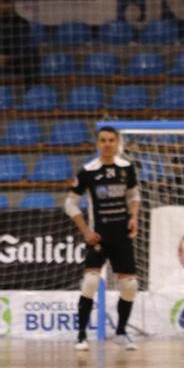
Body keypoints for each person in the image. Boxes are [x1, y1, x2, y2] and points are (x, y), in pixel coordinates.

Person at [65, 126, 140, 351]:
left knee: (130, 286)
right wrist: (86, 231)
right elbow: (70, 203)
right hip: (98, 237)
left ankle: (121, 332)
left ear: (118, 143)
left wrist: (134, 216)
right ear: (97, 144)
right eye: (103, 140)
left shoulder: (127, 168)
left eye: (111, 140)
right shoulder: (88, 171)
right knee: (90, 283)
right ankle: (80, 336)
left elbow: (134, 195)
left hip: (122, 237)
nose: (107, 144)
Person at [0, 0, 37, 86]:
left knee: (30, 63)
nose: (3, 7)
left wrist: (7, 58)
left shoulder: (21, 23)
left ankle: (30, 94)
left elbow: (26, 48)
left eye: (5, 4)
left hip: (15, 61)